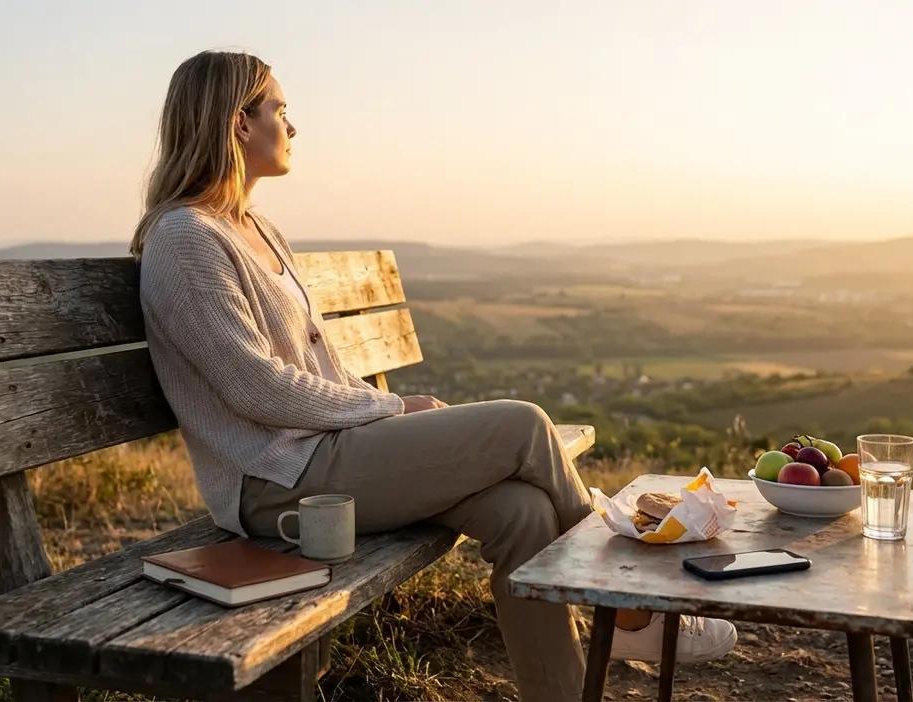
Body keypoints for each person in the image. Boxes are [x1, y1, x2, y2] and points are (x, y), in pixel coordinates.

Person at [133, 49, 736, 701]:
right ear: (238, 124)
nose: (293, 125)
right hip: (276, 481)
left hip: (327, 456)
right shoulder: (186, 239)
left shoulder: (255, 228)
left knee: (524, 512)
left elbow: (319, 369)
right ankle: (628, 611)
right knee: (521, 425)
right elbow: (255, 387)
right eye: (280, 109)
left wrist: (384, 413)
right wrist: (392, 410)